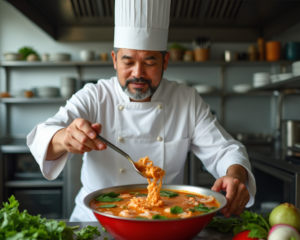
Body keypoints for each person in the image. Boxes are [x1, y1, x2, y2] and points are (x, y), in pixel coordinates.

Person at [27, 0, 256, 222]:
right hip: (96, 222)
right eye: (128, 62)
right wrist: (65, 138)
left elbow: (224, 149)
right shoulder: (94, 96)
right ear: (115, 60)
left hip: (167, 221)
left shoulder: (186, 100)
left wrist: (235, 175)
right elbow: (45, 133)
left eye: (149, 62)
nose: (138, 73)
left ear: (165, 61)